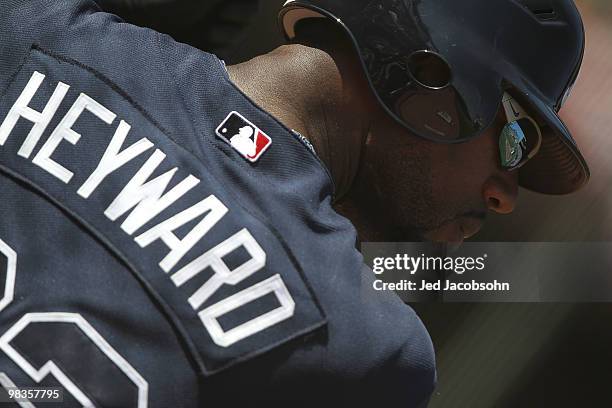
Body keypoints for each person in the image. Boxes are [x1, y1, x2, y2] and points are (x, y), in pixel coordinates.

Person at [0, 0, 588, 407]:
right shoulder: (370, 348)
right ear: (430, 77)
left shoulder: (46, 34)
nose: (503, 195)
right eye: (516, 141)